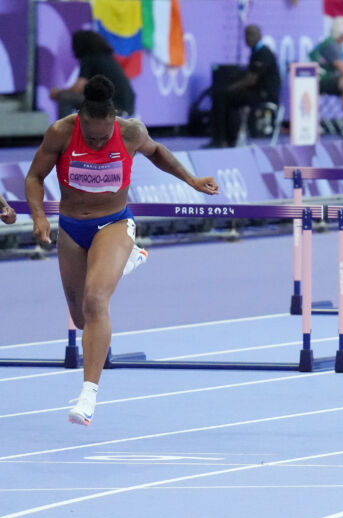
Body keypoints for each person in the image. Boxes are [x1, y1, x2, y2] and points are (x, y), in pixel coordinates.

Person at [24, 75, 219, 426]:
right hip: (71, 229)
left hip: (112, 223)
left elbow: (157, 151)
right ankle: (128, 260)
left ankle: (87, 396)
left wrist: (190, 179)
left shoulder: (130, 132)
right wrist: (40, 217)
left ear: (113, 121)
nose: (98, 143)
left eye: (103, 136)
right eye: (92, 136)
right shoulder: (61, 133)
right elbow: (34, 177)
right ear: (80, 119)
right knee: (83, 318)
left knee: (96, 301)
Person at [210, 24, 281, 148]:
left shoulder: (263, 53)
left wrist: (229, 88)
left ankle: (220, 140)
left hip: (265, 95)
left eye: (251, 34)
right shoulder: (256, 52)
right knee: (227, 98)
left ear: (259, 36)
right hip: (258, 92)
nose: (248, 38)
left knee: (222, 96)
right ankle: (230, 139)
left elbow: (251, 80)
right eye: (246, 35)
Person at [50, 31, 136, 120]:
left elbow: (77, 88)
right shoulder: (107, 58)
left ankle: (64, 131)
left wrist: (58, 93)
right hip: (127, 109)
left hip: (113, 108)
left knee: (66, 97)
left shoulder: (89, 58)